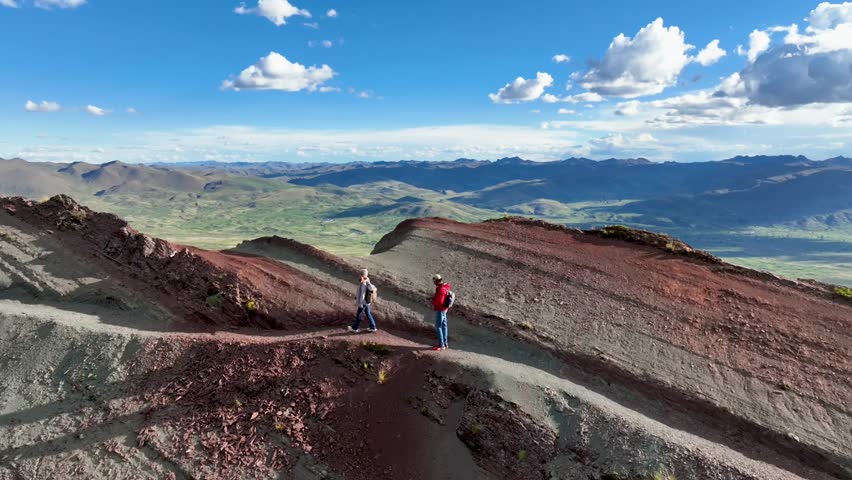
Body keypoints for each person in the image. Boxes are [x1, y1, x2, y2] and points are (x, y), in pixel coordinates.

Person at [348, 269, 377, 333]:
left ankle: (354, 328)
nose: (358, 276)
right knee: (368, 313)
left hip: (363, 302)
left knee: (359, 315)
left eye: (359, 274)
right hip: (366, 302)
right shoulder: (366, 280)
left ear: (361, 275)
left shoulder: (364, 283)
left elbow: (362, 295)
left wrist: (360, 304)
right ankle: (373, 327)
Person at [431, 274, 452, 351]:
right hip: (444, 310)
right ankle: (445, 344)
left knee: (438, 326)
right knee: (444, 326)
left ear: (437, 281)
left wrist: (433, 302)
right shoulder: (445, 287)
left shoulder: (441, 289)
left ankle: (441, 345)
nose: (434, 283)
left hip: (440, 309)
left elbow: (439, 302)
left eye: (434, 281)